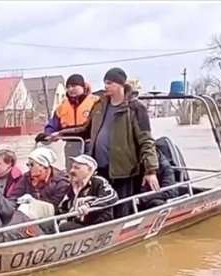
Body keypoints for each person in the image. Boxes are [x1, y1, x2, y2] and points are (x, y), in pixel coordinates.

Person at [57, 67, 160, 219]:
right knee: (99, 209)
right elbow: (86, 130)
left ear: (120, 84)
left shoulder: (136, 109)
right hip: (100, 168)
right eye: (105, 83)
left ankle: (126, 234)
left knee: (122, 211)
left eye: (109, 83)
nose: (105, 86)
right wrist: (60, 134)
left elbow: (146, 140)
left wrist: (150, 171)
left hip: (124, 170)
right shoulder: (100, 105)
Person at [34, 74, 100, 170]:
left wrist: (60, 133)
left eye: (73, 86)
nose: (70, 89)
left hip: (90, 145)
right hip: (71, 145)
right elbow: (53, 125)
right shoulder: (62, 106)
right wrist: (47, 135)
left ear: (82, 87)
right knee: (71, 172)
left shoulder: (95, 102)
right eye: (68, 87)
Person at [57, 155, 118, 232]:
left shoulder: (98, 182)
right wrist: (63, 219)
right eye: (72, 167)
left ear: (89, 170)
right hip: (78, 223)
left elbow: (112, 196)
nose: (72, 171)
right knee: (51, 224)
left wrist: (88, 205)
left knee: (64, 228)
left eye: (77, 168)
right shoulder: (71, 185)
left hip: (97, 225)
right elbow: (63, 206)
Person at [7, 147, 70, 219]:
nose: (29, 167)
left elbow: (54, 207)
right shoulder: (26, 177)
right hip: (25, 215)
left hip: (50, 218)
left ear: (43, 166)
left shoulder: (61, 182)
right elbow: (14, 196)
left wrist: (34, 198)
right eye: (28, 165)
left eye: (32, 165)